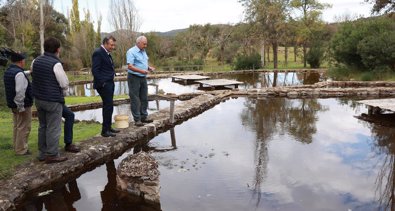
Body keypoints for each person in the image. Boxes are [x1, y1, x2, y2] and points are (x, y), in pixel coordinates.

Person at [32, 37, 68, 163]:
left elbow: (33, 75)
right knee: (54, 127)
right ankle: (52, 154)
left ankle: (42, 153)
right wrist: (63, 94)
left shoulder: (35, 61)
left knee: (42, 126)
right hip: (52, 100)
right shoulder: (56, 63)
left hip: (38, 98)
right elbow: (64, 83)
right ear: (58, 49)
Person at [3, 51, 33, 155]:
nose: (24, 61)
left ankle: (16, 146)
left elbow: (19, 75)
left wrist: (29, 72)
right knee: (24, 127)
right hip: (22, 105)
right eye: (24, 60)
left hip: (12, 104)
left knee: (17, 126)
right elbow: (20, 92)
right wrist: (21, 107)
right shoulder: (19, 74)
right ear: (21, 61)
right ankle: (21, 150)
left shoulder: (9, 71)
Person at [92, 36, 120, 137]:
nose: (113, 47)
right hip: (104, 84)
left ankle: (108, 127)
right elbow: (95, 70)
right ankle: (105, 131)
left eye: (114, 45)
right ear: (105, 43)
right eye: (111, 45)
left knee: (109, 106)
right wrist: (103, 83)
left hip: (109, 82)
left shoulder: (106, 53)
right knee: (107, 106)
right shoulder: (98, 52)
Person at [126, 35, 155, 126]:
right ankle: (137, 119)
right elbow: (130, 66)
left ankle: (144, 117)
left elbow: (143, 63)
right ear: (138, 43)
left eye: (146, 44)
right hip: (134, 77)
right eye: (144, 44)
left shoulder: (143, 51)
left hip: (143, 77)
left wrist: (148, 67)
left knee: (144, 97)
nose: (145, 46)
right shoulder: (131, 52)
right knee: (135, 98)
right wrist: (142, 71)